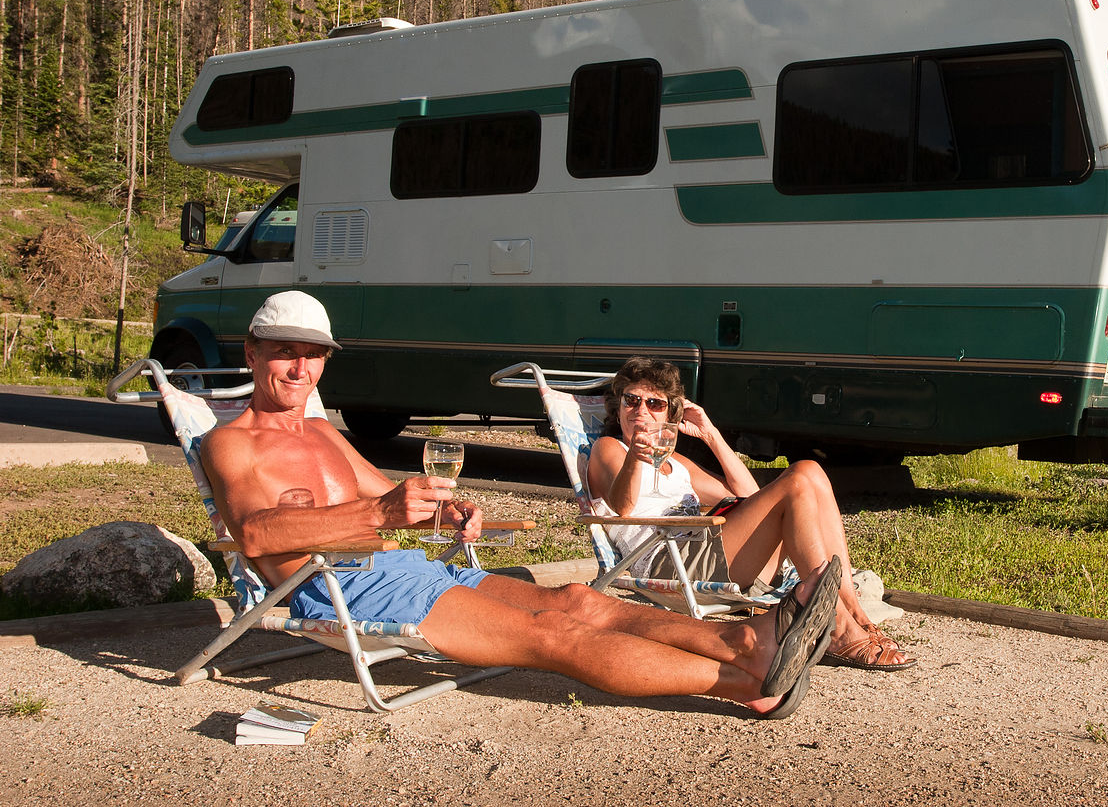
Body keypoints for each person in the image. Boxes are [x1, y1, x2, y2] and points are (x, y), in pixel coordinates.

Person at [199, 290, 842, 719]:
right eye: (285, 351)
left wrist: (448, 512)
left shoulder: (321, 432)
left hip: (411, 572)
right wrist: (379, 517)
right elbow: (254, 535)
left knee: (580, 601)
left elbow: (378, 490)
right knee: (551, 633)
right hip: (340, 589)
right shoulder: (229, 442)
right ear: (252, 352)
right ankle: (745, 682)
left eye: (312, 355)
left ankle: (745, 639)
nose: (300, 367)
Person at [586, 357, 915, 672]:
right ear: (620, 405)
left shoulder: (678, 465)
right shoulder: (610, 449)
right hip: (667, 558)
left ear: (670, 414)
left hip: (705, 549)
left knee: (810, 471)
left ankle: (855, 613)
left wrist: (711, 435)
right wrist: (637, 458)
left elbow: (748, 495)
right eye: (632, 400)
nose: (640, 411)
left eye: (654, 403)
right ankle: (839, 627)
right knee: (797, 479)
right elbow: (623, 507)